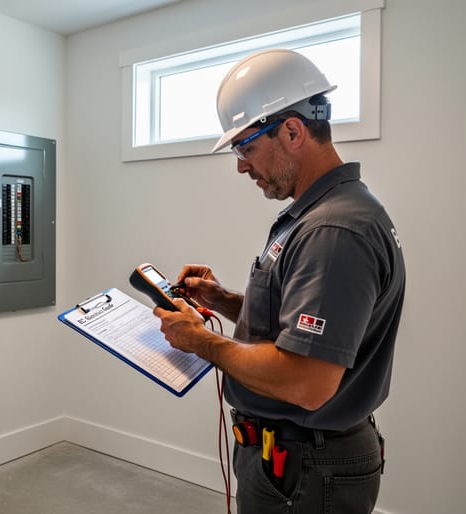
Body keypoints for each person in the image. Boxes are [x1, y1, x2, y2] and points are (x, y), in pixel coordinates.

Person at [154, 49, 405, 514]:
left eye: (246, 148)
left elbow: (307, 381)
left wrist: (200, 342)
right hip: (293, 460)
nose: (241, 166)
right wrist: (224, 300)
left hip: (307, 469)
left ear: (292, 131)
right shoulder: (321, 215)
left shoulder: (334, 230)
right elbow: (304, 326)